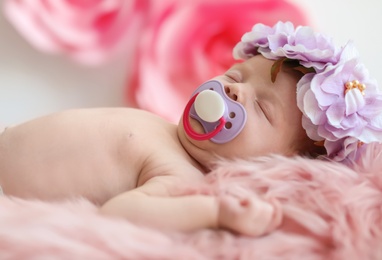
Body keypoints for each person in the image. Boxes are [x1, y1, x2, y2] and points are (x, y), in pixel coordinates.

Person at [0, 21, 381, 237]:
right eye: (235, 75)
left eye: (262, 108)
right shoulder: (164, 132)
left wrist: (214, 211)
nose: (233, 88)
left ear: (276, 163)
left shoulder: (178, 174)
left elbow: (121, 212)